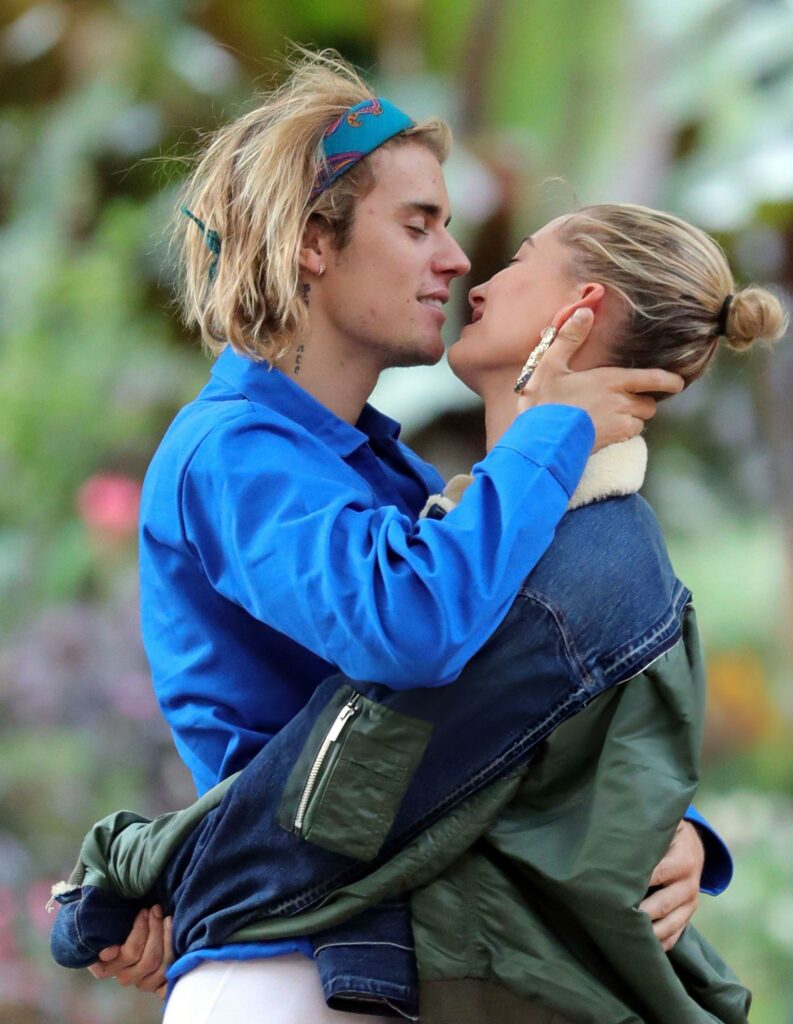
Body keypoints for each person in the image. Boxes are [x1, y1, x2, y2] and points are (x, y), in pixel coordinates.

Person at [78, 50, 722, 1019]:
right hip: (288, 962)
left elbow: (513, 705)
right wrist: (556, 428)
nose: (456, 260)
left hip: (379, 952)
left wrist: (672, 833)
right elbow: (410, 633)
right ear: (311, 242)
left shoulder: (397, 481)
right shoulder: (232, 454)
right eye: (419, 223)